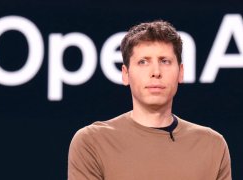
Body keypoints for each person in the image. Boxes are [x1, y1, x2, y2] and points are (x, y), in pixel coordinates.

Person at [68, 20, 232, 180]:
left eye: (165, 61)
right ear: (125, 74)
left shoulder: (212, 145)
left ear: (180, 72)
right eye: (143, 62)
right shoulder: (92, 142)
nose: (156, 72)